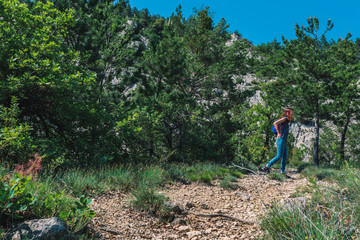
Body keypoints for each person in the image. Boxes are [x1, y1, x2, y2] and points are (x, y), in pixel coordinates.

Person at [261, 108, 293, 174]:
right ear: (287, 113)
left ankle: (282, 172)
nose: (291, 114)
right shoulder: (285, 119)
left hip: (283, 140)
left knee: (284, 156)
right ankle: (267, 166)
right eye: (290, 112)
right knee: (279, 156)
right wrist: (278, 133)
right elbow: (275, 123)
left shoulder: (286, 120)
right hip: (281, 139)